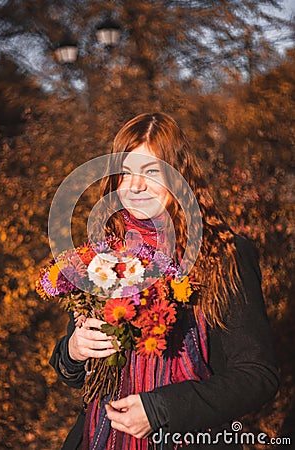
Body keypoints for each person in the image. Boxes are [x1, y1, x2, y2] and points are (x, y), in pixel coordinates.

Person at [50, 112, 279, 449]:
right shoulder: (104, 254)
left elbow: (258, 374)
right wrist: (74, 351)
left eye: (151, 171)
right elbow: (70, 371)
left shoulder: (222, 255)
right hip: (100, 438)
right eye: (125, 172)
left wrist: (161, 409)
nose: (135, 185)